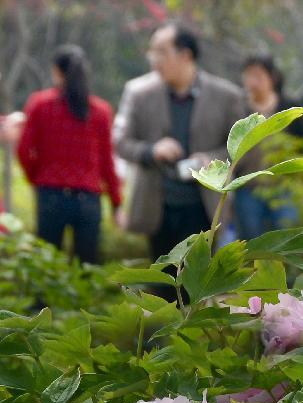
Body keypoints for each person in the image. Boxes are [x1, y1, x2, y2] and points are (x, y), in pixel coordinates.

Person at [114, 22, 244, 262]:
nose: (154, 59)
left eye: (161, 52)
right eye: (152, 52)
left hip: (205, 206)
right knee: (163, 282)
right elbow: (120, 142)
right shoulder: (138, 93)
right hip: (157, 207)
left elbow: (241, 148)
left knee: (197, 285)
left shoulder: (227, 96)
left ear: (185, 55)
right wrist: (151, 150)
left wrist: (211, 159)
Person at [15, 46, 120, 264]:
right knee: (87, 267)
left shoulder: (40, 104)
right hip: (88, 199)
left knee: (46, 264)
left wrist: (38, 177)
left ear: (56, 71)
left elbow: (23, 150)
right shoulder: (100, 111)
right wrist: (116, 201)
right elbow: (107, 162)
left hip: (50, 194)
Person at [233, 53, 299, 240]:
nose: (252, 82)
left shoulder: (289, 107)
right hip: (248, 187)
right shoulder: (238, 108)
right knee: (250, 240)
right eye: (248, 76)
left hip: (283, 188)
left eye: (258, 76)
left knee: (287, 236)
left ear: (272, 77)